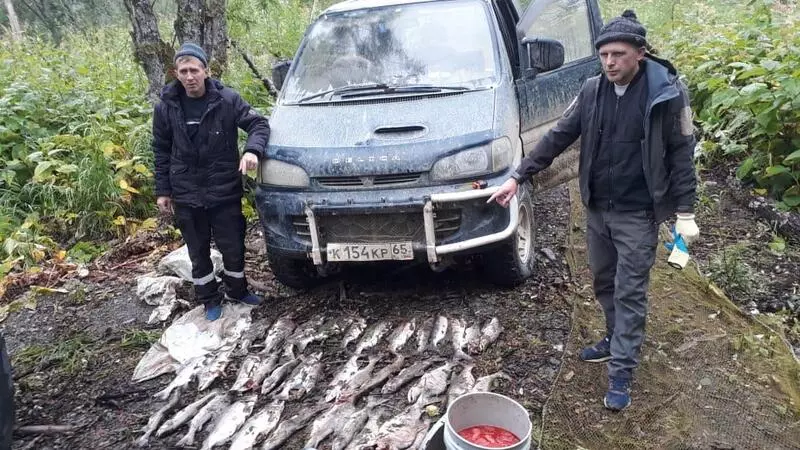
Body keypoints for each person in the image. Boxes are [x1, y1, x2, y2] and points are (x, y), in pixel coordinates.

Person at [488, 10, 699, 411]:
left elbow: (681, 154)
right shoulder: (591, 90)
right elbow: (557, 136)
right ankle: (611, 337)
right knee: (604, 281)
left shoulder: (667, 93)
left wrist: (685, 212)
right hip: (598, 209)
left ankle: (621, 371)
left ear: (640, 53)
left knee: (630, 290)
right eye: (603, 54)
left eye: (618, 54)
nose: (609, 63)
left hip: (638, 212)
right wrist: (519, 177)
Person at [152, 42, 270, 321]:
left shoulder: (227, 100)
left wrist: (252, 150)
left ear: (205, 70)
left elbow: (259, 124)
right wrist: (163, 191)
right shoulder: (166, 106)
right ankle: (208, 299)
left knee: (233, 245)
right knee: (198, 250)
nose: (189, 76)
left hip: (224, 189)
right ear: (176, 73)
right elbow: (160, 149)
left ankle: (238, 291)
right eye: (183, 71)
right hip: (186, 191)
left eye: (194, 70)